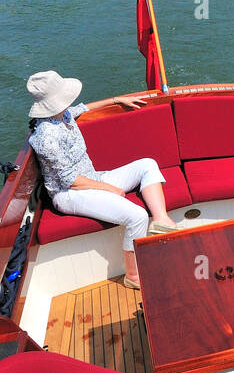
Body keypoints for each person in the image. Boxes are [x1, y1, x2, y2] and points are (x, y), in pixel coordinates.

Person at [27, 70, 179, 288]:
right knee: (137, 216)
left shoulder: (63, 115)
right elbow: (69, 180)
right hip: (70, 193)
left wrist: (118, 100)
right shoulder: (46, 137)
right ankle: (133, 277)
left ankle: (161, 220)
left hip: (91, 178)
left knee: (147, 164)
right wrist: (108, 188)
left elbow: (84, 108)